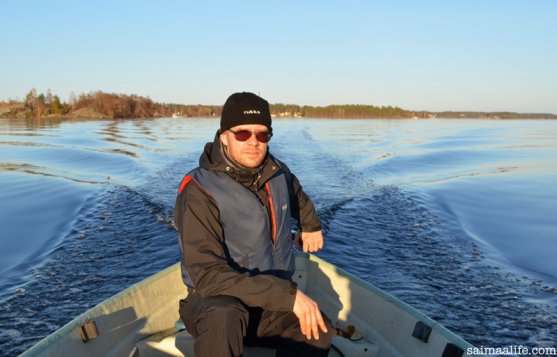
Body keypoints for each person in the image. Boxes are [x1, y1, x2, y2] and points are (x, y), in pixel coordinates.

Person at [174, 92, 336, 356]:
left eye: (262, 135)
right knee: (224, 313)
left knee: (318, 329)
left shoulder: (277, 171)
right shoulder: (198, 192)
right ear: (224, 135)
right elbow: (207, 276)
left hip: (268, 304)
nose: (253, 142)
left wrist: (310, 224)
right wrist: (289, 296)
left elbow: (297, 194)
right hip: (213, 304)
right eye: (242, 134)